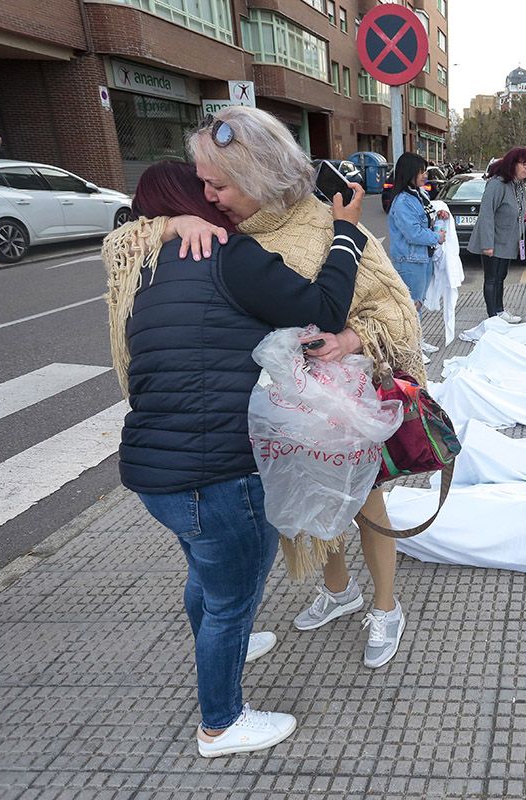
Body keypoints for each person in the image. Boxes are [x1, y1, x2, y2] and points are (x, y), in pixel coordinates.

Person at [107, 106, 425, 672]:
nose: (207, 195)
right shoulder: (223, 232)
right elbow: (126, 240)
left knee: (363, 504)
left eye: (218, 184)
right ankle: (338, 590)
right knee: (295, 509)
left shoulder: (326, 225)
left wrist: (352, 340)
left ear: (257, 178)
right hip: (275, 415)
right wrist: (171, 224)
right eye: (202, 182)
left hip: (341, 407)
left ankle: (385, 606)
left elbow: (397, 308)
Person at [103, 159, 366, 757]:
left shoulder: (143, 265)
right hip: (217, 472)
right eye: (209, 187)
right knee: (231, 596)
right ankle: (220, 723)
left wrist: (168, 226)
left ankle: (228, 643)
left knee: (204, 572)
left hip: (156, 472)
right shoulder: (226, 252)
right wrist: (346, 229)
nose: (219, 195)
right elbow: (322, 310)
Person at [386, 152, 449, 359]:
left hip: (422, 258)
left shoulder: (419, 194)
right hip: (410, 260)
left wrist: (438, 215)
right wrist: (436, 237)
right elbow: (413, 233)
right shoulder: (403, 201)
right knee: (411, 305)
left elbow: (425, 220)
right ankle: (411, 348)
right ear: (409, 173)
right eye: (421, 171)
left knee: (417, 303)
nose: (425, 175)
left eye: (424, 171)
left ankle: (418, 341)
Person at [467, 146, 526, 324]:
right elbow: (487, 214)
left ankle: (499, 310)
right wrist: (487, 244)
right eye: (524, 164)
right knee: (491, 278)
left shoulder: (518, 185)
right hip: (494, 240)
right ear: (513, 164)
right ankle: (493, 317)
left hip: (507, 241)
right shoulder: (497, 184)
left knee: (501, 277)